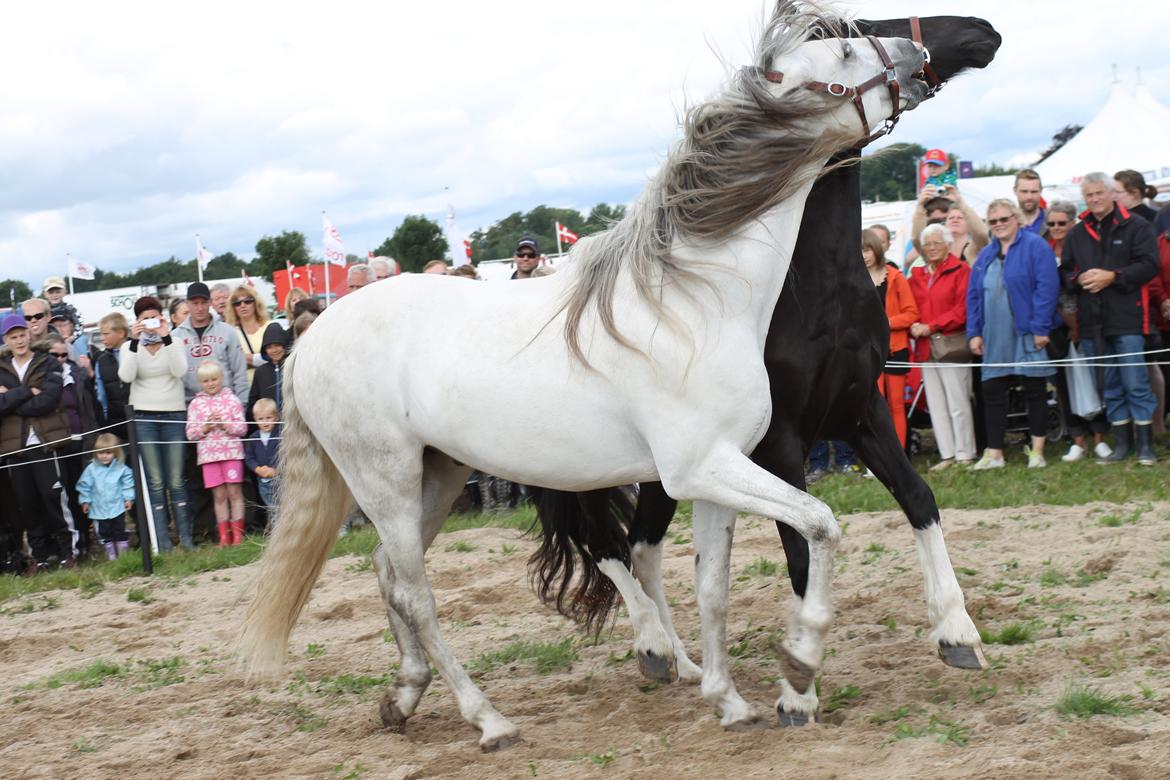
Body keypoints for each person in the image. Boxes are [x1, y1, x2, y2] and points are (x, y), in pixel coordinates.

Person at [1060, 171, 1160, 465]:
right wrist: (1079, 279)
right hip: (1092, 323)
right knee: (1110, 386)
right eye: (1089, 195)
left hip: (1128, 317)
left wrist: (1113, 276)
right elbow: (1065, 272)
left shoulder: (1136, 226)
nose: (1094, 199)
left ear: (1111, 194)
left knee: (1136, 382)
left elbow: (1149, 265)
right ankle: (1122, 443)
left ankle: (1146, 445)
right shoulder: (1077, 233)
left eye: (1099, 193)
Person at [966, 199, 1060, 470]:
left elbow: (1047, 288)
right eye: (994, 221)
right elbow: (973, 296)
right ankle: (995, 453)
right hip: (993, 334)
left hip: (1027, 330)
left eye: (1004, 219)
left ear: (1016, 218)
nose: (999, 225)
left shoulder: (1035, 246)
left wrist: (1041, 327)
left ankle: (1038, 450)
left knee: (1034, 389)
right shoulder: (985, 255)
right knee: (992, 391)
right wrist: (974, 332)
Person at [0, 314, 76, 572]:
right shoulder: (1, 368)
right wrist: (23, 393)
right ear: (6, 340)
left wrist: (10, 400)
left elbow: (49, 400)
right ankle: (40, 557)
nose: (20, 340)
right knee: (26, 502)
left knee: (52, 495)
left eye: (22, 334)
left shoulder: (46, 362)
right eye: (14, 336)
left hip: (44, 441)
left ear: (29, 335)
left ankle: (68, 552)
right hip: (14, 445)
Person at [119, 296, 193, 551]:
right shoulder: (130, 346)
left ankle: (187, 539)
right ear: (137, 321)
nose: (150, 323)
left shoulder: (175, 340)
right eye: (144, 318)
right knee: (155, 481)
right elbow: (126, 375)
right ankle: (162, 543)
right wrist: (133, 340)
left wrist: (167, 336)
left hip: (173, 414)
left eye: (154, 317)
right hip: (144, 417)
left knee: (176, 479)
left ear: (161, 317)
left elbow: (180, 370)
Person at [1046, 202, 1112, 461]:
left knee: (1096, 381)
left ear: (1072, 222)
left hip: (1087, 321)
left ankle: (1100, 438)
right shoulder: (1045, 248)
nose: (1056, 228)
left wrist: (1075, 324)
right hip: (1057, 324)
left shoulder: (1084, 243)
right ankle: (1077, 439)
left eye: (1062, 223)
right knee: (1064, 383)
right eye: (1051, 223)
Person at [908, 224, 976, 469]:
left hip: (951, 346)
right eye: (928, 244)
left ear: (948, 245)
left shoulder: (961, 270)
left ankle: (965, 453)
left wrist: (932, 325)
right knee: (936, 404)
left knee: (958, 402)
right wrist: (914, 324)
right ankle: (947, 454)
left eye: (937, 243)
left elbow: (962, 310)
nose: (932, 248)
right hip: (925, 347)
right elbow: (910, 306)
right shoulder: (917, 276)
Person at [46, 333, 101, 559]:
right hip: (57, 444)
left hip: (80, 441)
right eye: (54, 354)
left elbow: (87, 408)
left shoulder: (75, 373)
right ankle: (71, 546)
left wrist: (92, 437)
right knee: (64, 496)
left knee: (83, 492)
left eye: (63, 354)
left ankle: (87, 542)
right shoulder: (42, 378)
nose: (60, 358)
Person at [863, 228, 918, 448]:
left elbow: (912, 313)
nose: (863, 255)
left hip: (895, 348)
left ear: (876, 249)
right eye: (858, 251)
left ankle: (899, 455)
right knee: (874, 406)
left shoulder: (895, 277)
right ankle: (877, 456)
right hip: (867, 352)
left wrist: (886, 323)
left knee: (895, 404)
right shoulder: (855, 279)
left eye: (866, 250)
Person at [185, 361, 248, 546]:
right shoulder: (196, 404)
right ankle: (223, 536)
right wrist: (205, 427)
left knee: (234, 493)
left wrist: (225, 425)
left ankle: (238, 536)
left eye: (214, 379)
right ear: (200, 383)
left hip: (231, 454)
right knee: (219, 497)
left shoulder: (232, 400)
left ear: (221, 378)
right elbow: (190, 433)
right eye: (206, 381)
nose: (211, 383)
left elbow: (243, 428)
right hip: (208, 457)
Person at [173, 282, 248, 402]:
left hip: (226, 403)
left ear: (210, 303)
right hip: (191, 405)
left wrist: (242, 403)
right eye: (195, 303)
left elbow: (239, 371)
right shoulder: (176, 336)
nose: (200, 308)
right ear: (187, 304)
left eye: (204, 302)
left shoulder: (228, 331)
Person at [76, 433, 135, 560]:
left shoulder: (121, 468)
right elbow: (84, 485)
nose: (104, 456)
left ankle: (123, 555)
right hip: (99, 508)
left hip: (117, 506)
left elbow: (128, 483)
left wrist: (128, 498)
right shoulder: (91, 469)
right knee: (105, 532)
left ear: (116, 453)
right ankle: (111, 555)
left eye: (108, 453)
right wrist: (85, 501)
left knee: (119, 530)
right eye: (101, 452)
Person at [224, 284, 270, 384]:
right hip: (242, 387)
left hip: (268, 384)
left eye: (248, 301)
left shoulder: (269, 326)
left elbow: (275, 356)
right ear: (233, 307)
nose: (243, 305)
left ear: (256, 303)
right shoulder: (229, 332)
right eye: (237, 303)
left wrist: (244, 358)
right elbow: (228, 361)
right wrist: (260, 358)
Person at [94, 312, 131, 433]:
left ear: (121, 333)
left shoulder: (137, 351)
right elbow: (101, 395)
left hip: (141, 419)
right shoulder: (101, 360)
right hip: (115, 423)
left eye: (106, 334)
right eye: (101, 334)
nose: (102, 338)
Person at [245, 397, 281, 520]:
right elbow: (249, 458)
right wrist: (257, 469)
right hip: (263, 482)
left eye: (268, 418)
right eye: (261, 419)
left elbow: (287, 457)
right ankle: (276, 530)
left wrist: (276, 470)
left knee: (283, 506)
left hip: (281, 480)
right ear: (255, 419)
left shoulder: (281, 436)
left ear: (276, 417)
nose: (265, 422)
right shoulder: (253, 438)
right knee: (271, 507)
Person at [248, 322, 289, 416]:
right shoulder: (260, 372)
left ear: (284, 345)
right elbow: (253, 401)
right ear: (264, 350)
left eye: (277, 345)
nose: (274, 350)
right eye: (269, 347)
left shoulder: (293, 369)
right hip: (268, 424)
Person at [1013, 169, 1046, 236]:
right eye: (1024, 191)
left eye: (1034, 191)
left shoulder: (1054, 222)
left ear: (1041, 191)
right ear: (1015, 191)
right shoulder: (1005, 223)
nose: (1029, 197)